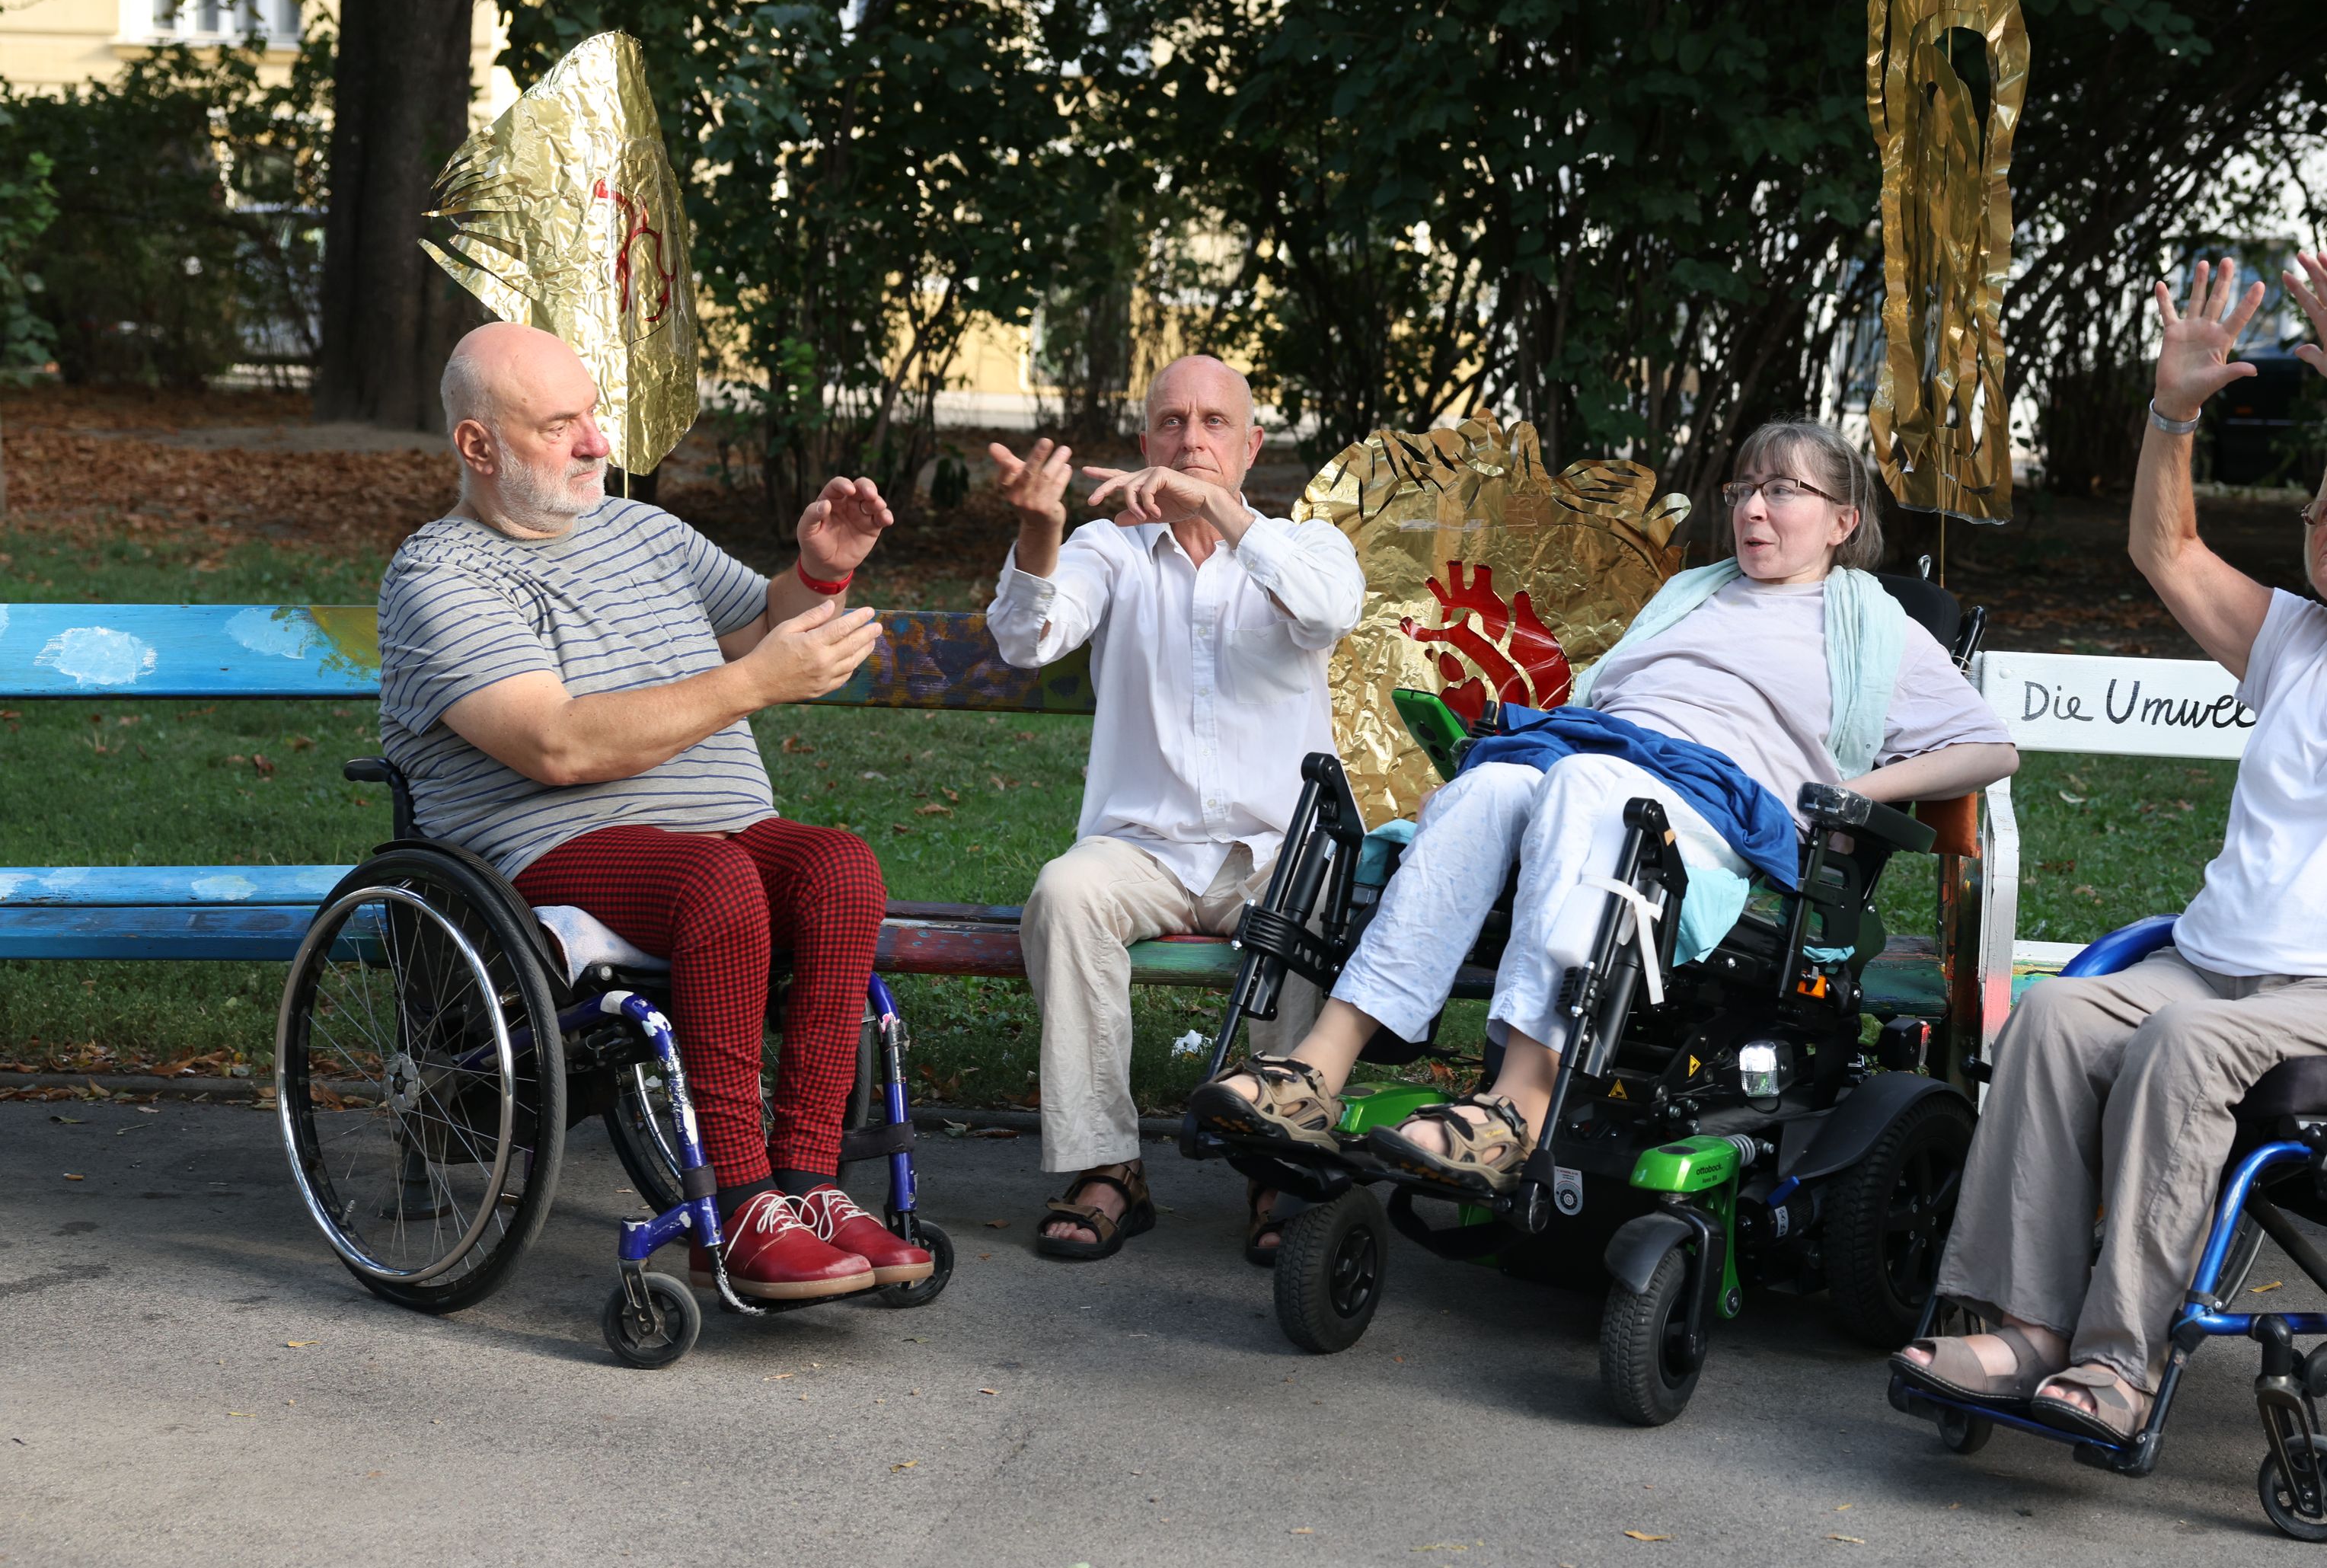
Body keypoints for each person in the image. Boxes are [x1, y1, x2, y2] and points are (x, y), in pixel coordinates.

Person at [1901, 254, 2327, 1445]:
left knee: (2189, 1039)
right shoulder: (2291, 640)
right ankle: (2022, 1327)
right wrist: (2171, 411)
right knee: (2051, 1015)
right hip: (2212, 961)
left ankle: (2116, 1359)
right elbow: (2165, 550)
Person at [1185, 418, 2018, 1196]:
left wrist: (1851, 793)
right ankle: (1318, 1067)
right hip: (1600, 767)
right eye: (1744, 490)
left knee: (1587, 789)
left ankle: (1519, 1104)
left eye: (1784, 491)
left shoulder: (1875, 625)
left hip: (1711, 811)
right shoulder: (1692, 593)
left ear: (1842, 521)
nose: (1755, 509)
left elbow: (1991, 750)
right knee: (1488, 788)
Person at [378, 321, 925, 1301]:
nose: (597, 443)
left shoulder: (644, 532)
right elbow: (557, 745)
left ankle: (809, 1184)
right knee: (713, 883)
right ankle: (740, 1207)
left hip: (718, 834)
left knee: (842, 866)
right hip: (556, 850)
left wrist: (819, 572)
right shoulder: (441, 578)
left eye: (594, 415)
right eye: (561, 425)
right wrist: (754, 683)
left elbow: (759, 627)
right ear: (478, 446)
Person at [984, 356, 1363, 1262]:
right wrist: (1041, 529)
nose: (1191, 439)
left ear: (1252, 445)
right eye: (1171, 423)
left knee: (1306, 904)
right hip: (1141, 849)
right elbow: (1024, 638)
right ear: (1144, 439)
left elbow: (1325, 614)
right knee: (1065, 895)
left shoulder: (1308, 547)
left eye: (1214, 423)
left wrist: (1217, 514)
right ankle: (1107, 1166)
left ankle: (1280, 1159)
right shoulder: (1108, 549)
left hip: (1272, 848)